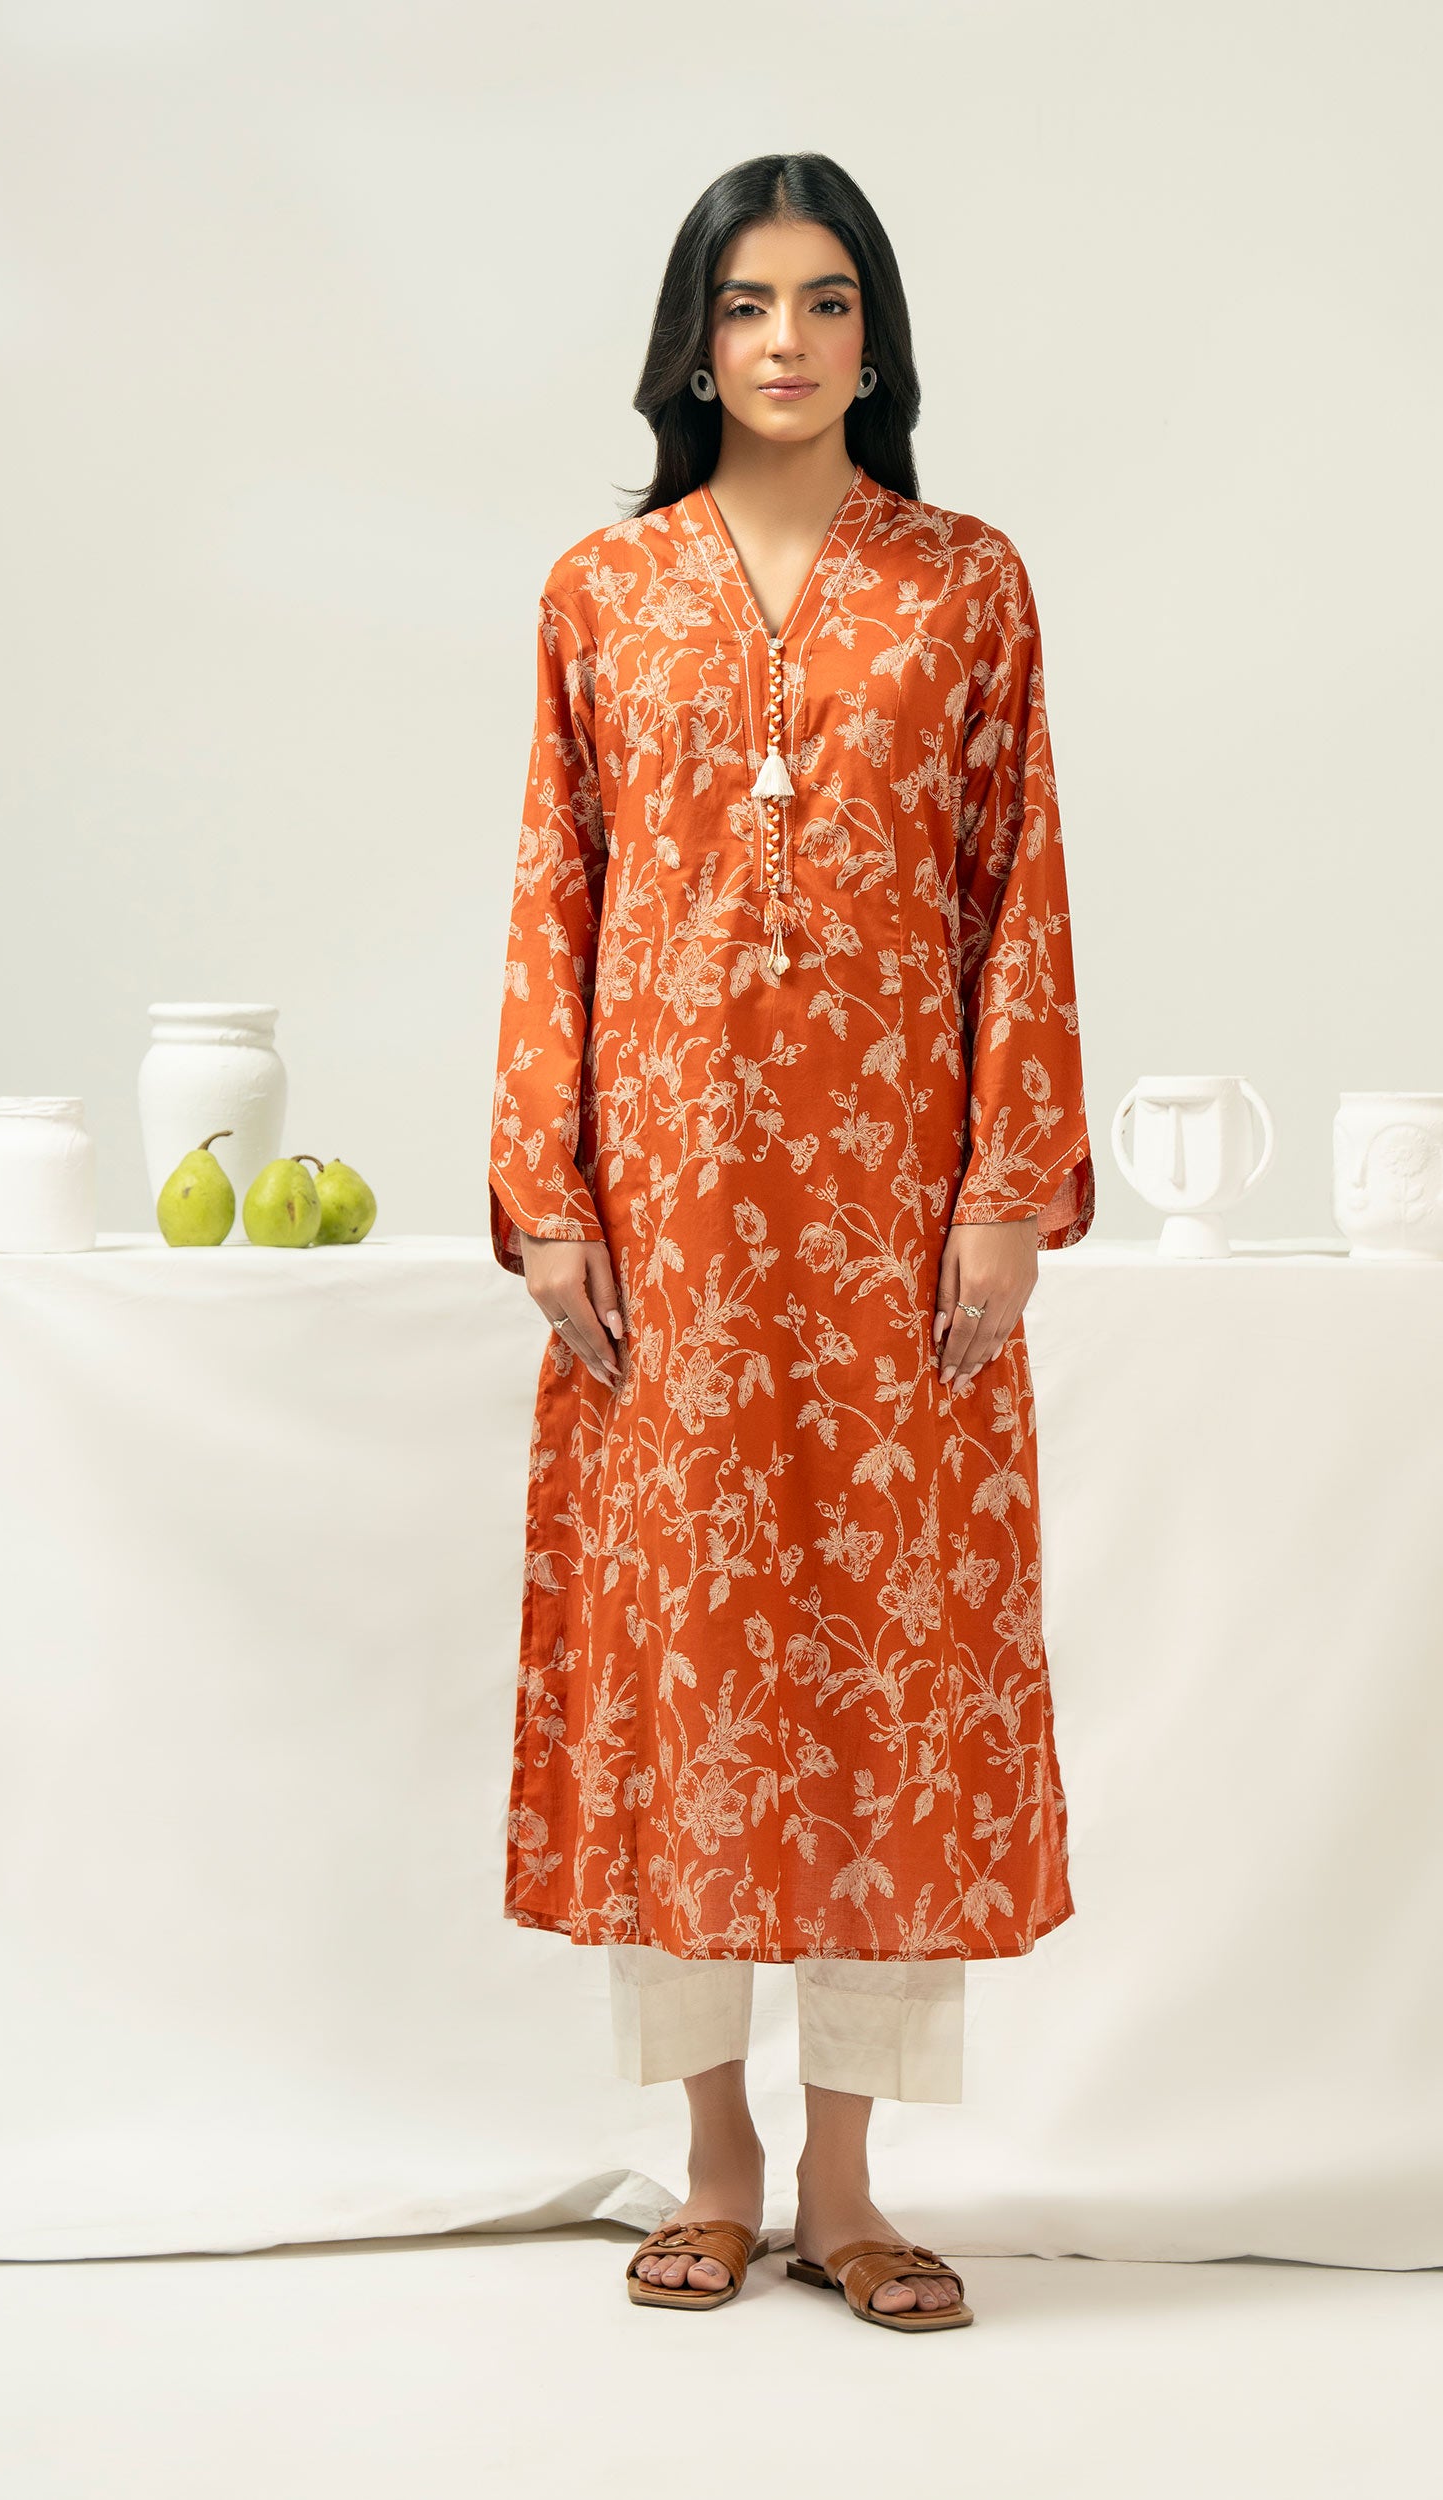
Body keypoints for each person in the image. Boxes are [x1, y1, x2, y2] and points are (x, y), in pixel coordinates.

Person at [487, 150, 1094, 2333]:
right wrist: (544, 1196)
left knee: (887, 1669)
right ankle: (714, 2157)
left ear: (874, 337)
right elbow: (554, 893)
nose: (785, 341)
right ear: (689, 340)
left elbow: (1014, 883)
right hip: (665, 1227)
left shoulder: (963, 582)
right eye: (747, 304)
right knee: (688, 1672)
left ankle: (846, 2177)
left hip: (889, 1225)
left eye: (827, 302)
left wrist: (1005, 1189)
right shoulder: (601, 588)